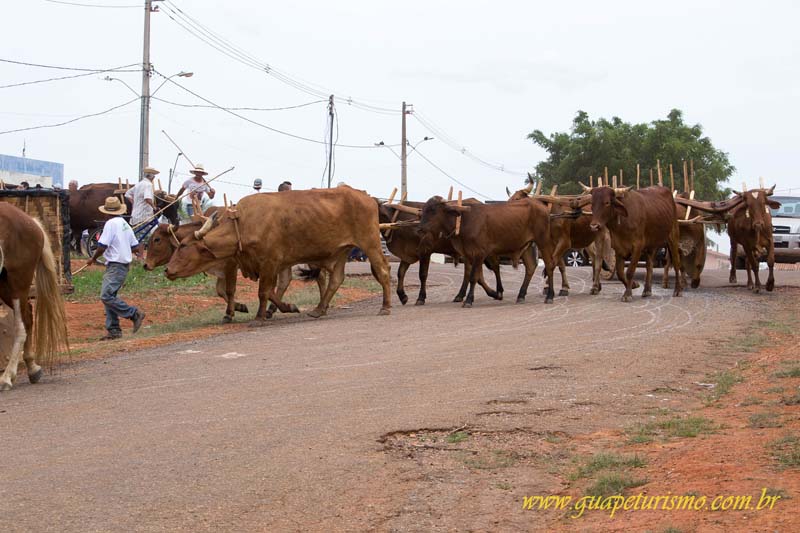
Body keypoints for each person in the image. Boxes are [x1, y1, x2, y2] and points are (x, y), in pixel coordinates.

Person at [86, 196, 146, 340]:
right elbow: (136, 247)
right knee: (110, 297)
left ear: (106, 212)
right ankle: (114, 330)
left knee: (106, 296)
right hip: (122, 265)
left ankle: (133, 313)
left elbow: (102, 246)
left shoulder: (110, 224)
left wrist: (93, 258)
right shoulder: (125, 224)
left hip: (115, 265)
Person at [125, 167, 159, 241]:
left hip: (135, 215)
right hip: (143, 216)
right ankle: (140, 253)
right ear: (151, 176)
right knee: (142, 238)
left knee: (138, 237)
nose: (154, 177)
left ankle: (137, 252)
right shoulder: (148, 185)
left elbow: (127, 194)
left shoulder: (139, 184)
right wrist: (154, 207)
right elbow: (147, 198)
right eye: (154, 176)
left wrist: (134, 203)